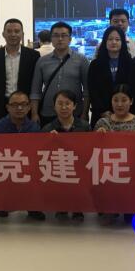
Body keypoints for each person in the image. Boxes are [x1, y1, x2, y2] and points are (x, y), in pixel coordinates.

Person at [0, 90, 43, 220]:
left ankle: (32, 206)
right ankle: (2, 202)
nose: (19, 108)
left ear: (29, 107)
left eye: (23, 104)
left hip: (27, 171)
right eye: (15, 105)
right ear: (8, 107)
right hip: (6, 171)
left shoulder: (35, 129)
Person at [41, 90, 90, 221]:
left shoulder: (84, 126)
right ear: (54, 106)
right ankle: (61, 207)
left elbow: (91, 149)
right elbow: (42, 155)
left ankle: (77, 209)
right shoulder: (47, 129)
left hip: (79, 166)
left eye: (67, 103)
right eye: (60, 103)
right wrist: (49, 141)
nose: (64, 107)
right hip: (58, 166)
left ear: (74, 106)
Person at [30, 21, 89, 126]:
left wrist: (85, 113)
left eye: (64, 35)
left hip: (74, 113)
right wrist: (34, 114)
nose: (60, 39)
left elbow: (87, 91)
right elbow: (35, 91)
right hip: (48, 112)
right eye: (56, 36)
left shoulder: (81, 60)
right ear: (51, 39)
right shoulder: (42, 61)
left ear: (70, 39)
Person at [0, 18, 40, 122]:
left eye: (17, 31)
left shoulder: (33, 56)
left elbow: (36, 83)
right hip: (1, 106)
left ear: (22, 34)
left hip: (25, 106)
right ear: (3, 34)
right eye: (9, 31)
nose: (13, 34)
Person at [87, 25, 134, 127]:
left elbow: (133, 88)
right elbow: (93, 90)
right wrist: (103, 111)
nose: (114, 42)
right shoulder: (95, 64)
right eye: (110, 39)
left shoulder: (130, 63)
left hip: (125, 114)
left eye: (117, 39)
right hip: (102, 116)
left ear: (122, 42)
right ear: (105, 42)